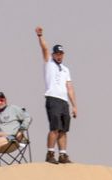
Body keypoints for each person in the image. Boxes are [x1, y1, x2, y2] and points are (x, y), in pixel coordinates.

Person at [35, 27, 77, 164]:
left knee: (64, 130)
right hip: (53, 99)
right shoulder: (49, 63)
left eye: (61, 53)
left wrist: (74, 105)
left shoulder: (66, 70)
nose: (59, 55)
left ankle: (63, 154)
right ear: (53, 54)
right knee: (54, 128)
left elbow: (70, 87)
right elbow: (44, 49)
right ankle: (50, 152)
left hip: (64, 101)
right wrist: (40, 36)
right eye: (57, 53)